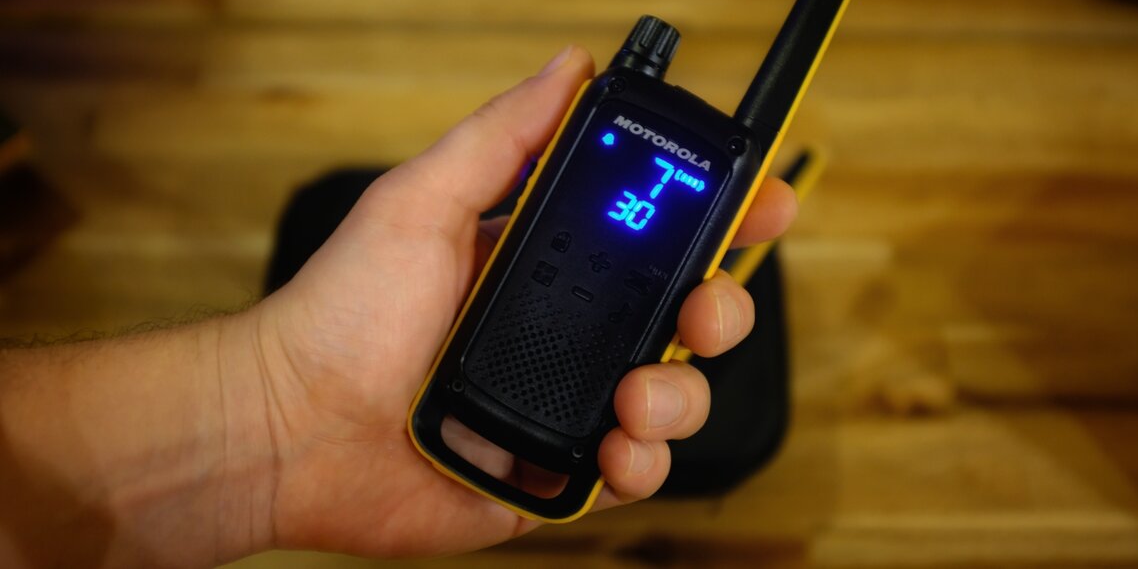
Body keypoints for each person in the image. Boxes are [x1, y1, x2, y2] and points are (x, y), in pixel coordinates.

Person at [0, 46, 797, 567]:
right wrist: (275, 410)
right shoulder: (615, 116)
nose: (636, 208)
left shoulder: (673, 149)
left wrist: (272, 424)